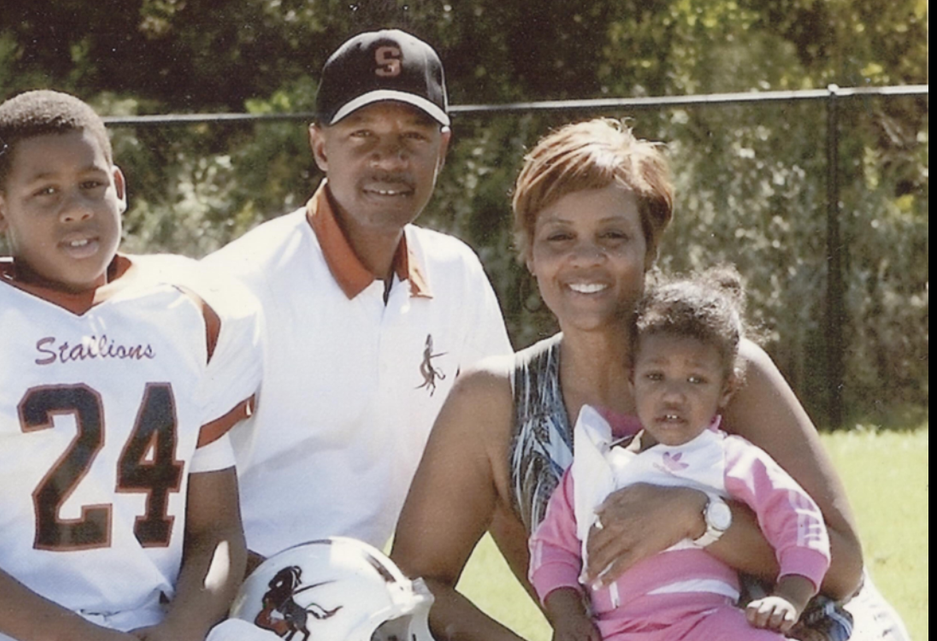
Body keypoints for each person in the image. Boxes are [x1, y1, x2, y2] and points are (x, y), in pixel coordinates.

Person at [391, 118, 911, 641]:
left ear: (650, 246)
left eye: (613, 235)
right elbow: (415, 583)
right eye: (559, 236)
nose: (586, 257)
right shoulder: (495, 400)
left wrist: (698, 517)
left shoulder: (728, 370)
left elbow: (843, 566)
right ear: (528, 251)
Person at [0, 90, 261, 641]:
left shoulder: (189, 310)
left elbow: (218, 527)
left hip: (157, 623)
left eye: (91, 185)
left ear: (120, 187)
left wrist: (182, 629)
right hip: (4, 629)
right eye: (45, 192)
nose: (77, 207)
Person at [203, 29, 511, 569]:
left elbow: (503, 465)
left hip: (380, 594)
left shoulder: (456, 272)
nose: (389, 160)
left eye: (413, 137)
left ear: (442, 148)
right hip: (244, 600)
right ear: (321, 146)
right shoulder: (239, 284)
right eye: (362, 135)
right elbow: (179, 508)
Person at [529, 267, 831, 641]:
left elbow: (799, 519)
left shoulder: (725, 457)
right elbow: (551, 548)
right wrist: (567, 616)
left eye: (695, 380)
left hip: (709, 624)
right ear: (632, 379)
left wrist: (790, 597)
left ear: (725, 389)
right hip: (617, 631)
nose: (673, 395)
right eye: (656, 376)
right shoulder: (594, 465)